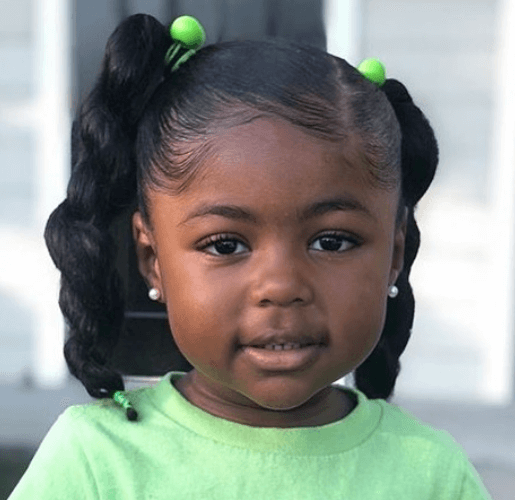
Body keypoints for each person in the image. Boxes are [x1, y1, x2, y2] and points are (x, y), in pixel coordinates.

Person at [8, 13, 491, 500]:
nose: (281, 285)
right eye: (226, 245)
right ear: (152, 258)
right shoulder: (95, 462)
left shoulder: (431, 474)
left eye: (332, 241)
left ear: (394, 252)